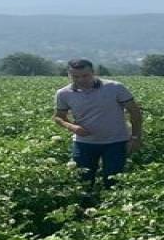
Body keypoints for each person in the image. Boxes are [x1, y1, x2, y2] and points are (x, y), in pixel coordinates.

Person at [53, 59, 144, 197]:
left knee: (113, 180)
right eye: (75, 76)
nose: (81, 80)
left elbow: (135, 112)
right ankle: (84, 210)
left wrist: (136, 137)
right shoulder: (63, 93)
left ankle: (111, 210)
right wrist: (72, 127)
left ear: (93, 73)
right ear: (69, 75)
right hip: (84, 144)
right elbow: (59, 116)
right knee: (83, 181)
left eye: (85, 75)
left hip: (116, 142)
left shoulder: (115, 87)